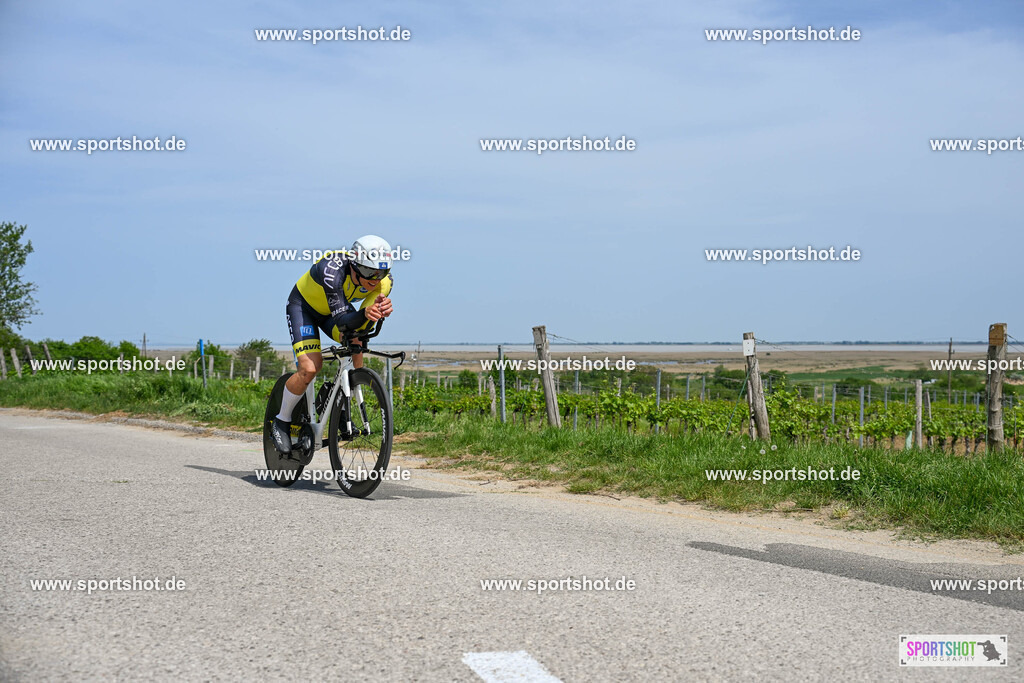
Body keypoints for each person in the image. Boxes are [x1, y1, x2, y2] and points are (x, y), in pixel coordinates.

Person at [270, 235, 394, 453]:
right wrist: (364, 313)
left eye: (380, 272)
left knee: (357, 338)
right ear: (354, 266)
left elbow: (360, 322)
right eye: (368, 272)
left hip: (334, 312)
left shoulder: (385, 283)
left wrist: (374, 313)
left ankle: (344, 394)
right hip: (305, 309)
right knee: (310, 368)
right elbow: (343, 320)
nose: (374, 279)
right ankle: (281, 420)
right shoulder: (332, 271)